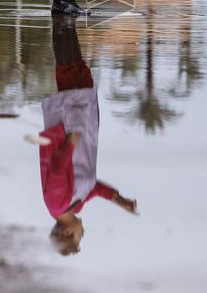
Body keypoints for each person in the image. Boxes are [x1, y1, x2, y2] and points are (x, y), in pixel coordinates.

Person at [38, 16, 138, 255]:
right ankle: (67, 21)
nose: (83, 233)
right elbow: (95, 188)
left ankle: (61, 20)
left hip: (69, 131)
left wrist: (71, 142)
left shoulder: (56, 203)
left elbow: (59, 170)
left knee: (69, 74)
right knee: (81, 76)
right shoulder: (76, 204)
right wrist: (120, 200)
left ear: (67, 232)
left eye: (79, 238)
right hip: (82, 129)